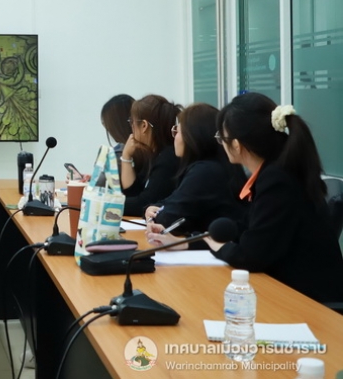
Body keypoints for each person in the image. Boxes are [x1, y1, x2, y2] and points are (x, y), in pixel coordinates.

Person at [204, 93, 343, 303]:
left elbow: (251, 255)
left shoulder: (278, 180)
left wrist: (220, 248)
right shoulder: (277, 171)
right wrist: (194, 242)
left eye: (221, 138)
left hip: (311, 303)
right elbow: (248, 230)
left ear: (236, 144)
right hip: (295, 291)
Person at [144, 103, 248, 249]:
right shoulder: (214, 165)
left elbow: (168, 219)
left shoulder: (205, 172)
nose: (174, 137)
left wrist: (155, 213)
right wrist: (152, 208)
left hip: (224, 255)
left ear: (193, 137)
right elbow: (169, 203)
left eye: (177, 131)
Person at [120, 94, 182, 217]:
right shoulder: (154, 154)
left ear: (144, 126)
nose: (131, 127)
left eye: (132, 122)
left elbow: (143, 204)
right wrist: (126, 157)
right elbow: (133, 193)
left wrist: (107, 204)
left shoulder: (168, 158)